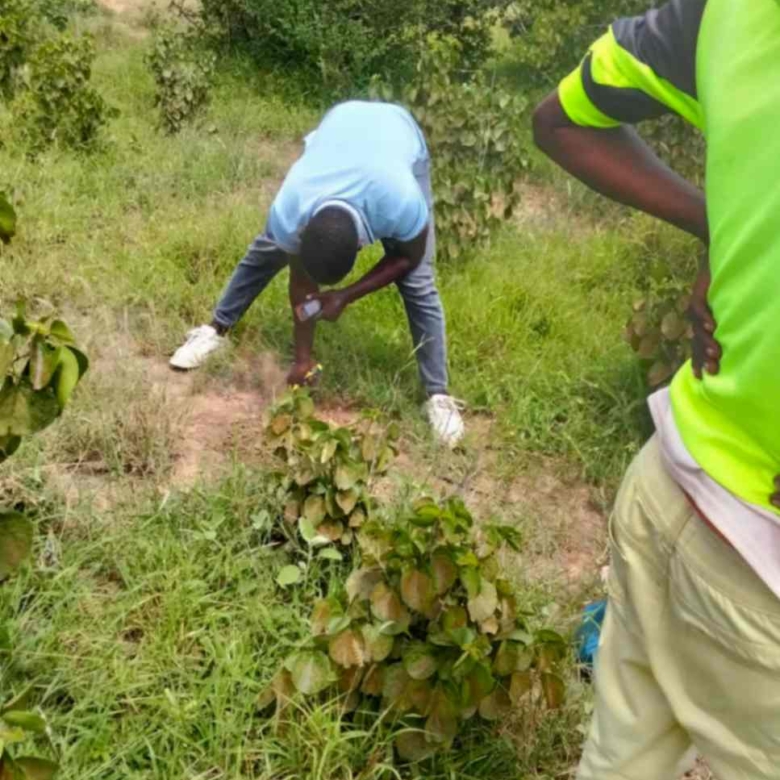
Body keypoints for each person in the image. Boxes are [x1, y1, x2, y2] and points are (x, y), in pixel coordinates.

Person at [534, 1, 780, 777]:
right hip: (757, 572)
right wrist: (724, 230)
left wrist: (727, 230)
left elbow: (559, 119)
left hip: (670, 482)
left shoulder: (723, 14)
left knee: (618, 762)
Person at [170, 100, 465, 446]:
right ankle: (215, 329)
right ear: (305, 230)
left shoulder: (400, 200)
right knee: (269, 248)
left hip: (398, 133)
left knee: (419, 283)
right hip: (341, 125)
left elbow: (408, 258)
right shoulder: (293, 206)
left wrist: (346, 295)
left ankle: (438, 395)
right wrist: (303, 360)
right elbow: (301, 282)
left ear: (362, 243)